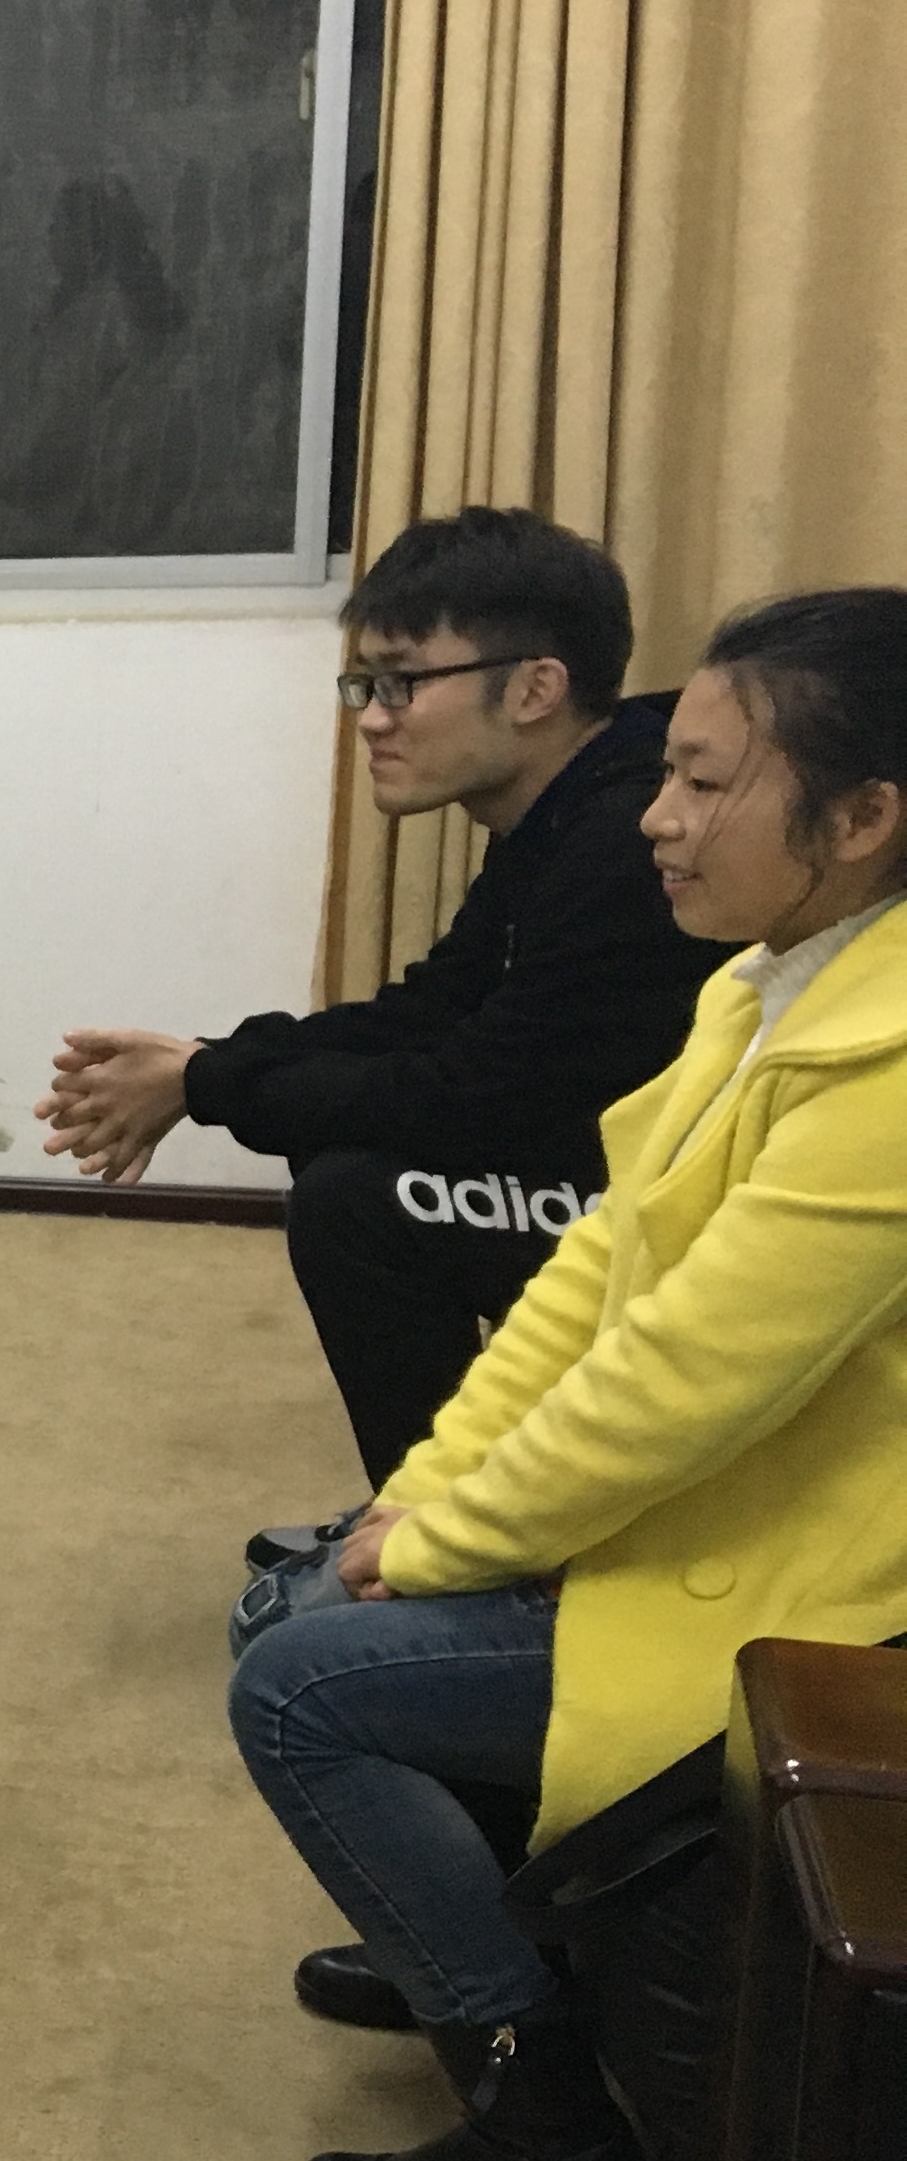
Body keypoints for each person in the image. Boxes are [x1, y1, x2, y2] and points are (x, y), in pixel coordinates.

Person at [226, 590, 907, 2161]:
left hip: (800, 1589)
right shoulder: (767, 983)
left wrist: (450, 1544)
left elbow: (680, 1381)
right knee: (301, 1592)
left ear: (859, 817)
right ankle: (475, 1924)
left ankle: (551, 2145)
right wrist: (419, 1493)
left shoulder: (891, 1069)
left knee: (297, 1685)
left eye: (703, 783)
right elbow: (590, 1277)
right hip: (695, 1515)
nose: (656, 819)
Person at [39, 509, 732, 1485]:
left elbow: (474, 1100)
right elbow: (430, 1012)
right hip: (602, 1164)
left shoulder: (626, 837)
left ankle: (444, 1534)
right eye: (363, 684)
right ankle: (452, 1503)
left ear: (535, 688)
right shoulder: (568, 808)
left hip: (699, 1220)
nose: (370, 717)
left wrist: (206, 1083)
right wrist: (207, 1064)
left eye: (401, 683)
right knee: (340, 1136)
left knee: (359, 1205)